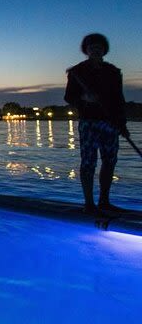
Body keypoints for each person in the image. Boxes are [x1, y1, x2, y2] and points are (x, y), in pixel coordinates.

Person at [64, 33, 129, 213]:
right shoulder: (77, 72)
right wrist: (83, 98)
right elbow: (69, 96)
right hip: (89, 122)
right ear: (87, 50)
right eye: (92, 47)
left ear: (104, 50)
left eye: (99, 47)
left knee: (109, 161)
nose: (95, 49)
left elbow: (119, 100)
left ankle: (104, 201)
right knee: (88, 162)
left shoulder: (113, 72)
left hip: (110, 123)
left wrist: (122, 124)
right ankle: (89, 204)